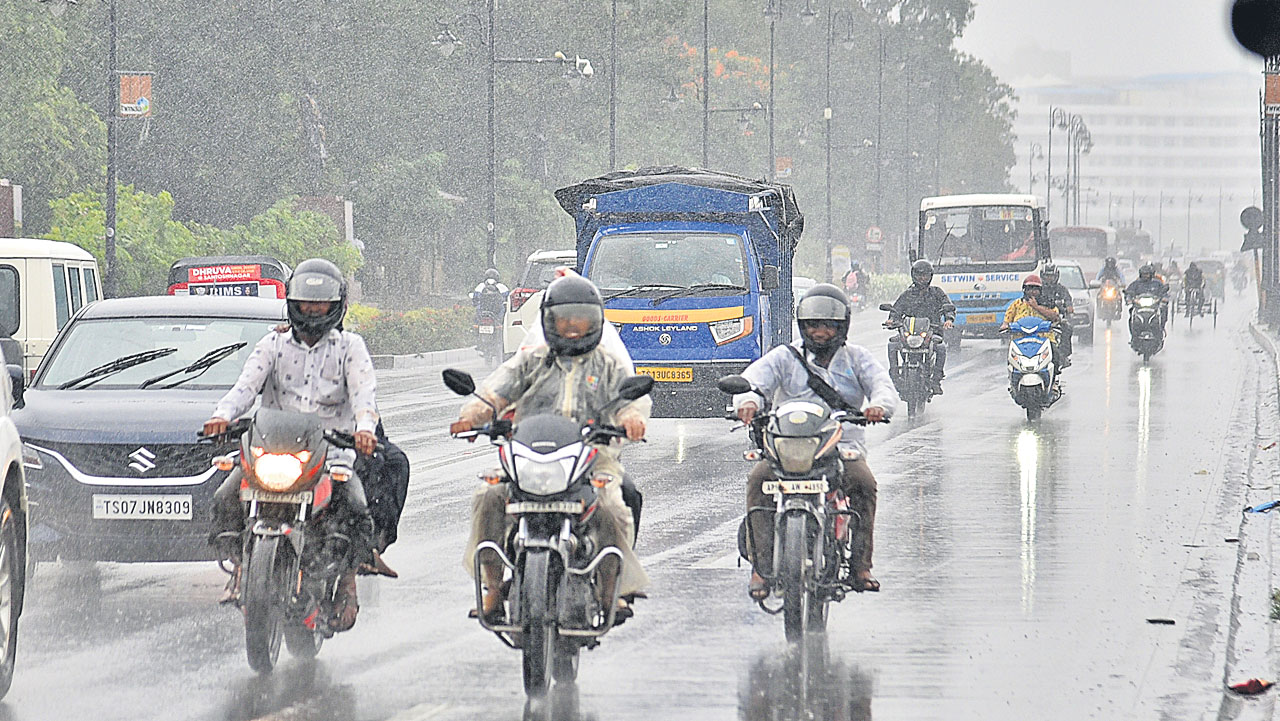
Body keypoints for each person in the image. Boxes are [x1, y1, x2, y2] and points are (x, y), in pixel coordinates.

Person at [203, 258, 391, 632]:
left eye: (320, 304)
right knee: (224, 498)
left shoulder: (351, 347)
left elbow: (363, 395)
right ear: (292, 302)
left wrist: (365, 429)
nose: (312, 310)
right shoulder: (272, 344)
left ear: (337, 305)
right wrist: (221, 415)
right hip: (270, 449)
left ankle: (348, 580)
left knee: (356, 508)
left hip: (330, 453)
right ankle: (241, 568)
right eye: (306, 302)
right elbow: (245, 387)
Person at [450, 274, 651, 623]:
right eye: (564, 320)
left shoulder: (608, 365)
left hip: (591, 458)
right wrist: (472, 415)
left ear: (596, 322)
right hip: (528, 456)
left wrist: (631, 419)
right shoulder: (531, 360)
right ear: (548, 320)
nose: (572, 329)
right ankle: (493, 586)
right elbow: (495, 392)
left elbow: (629, 401)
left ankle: (611, 589)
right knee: (488, 495)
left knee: (611, 507)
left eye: (581, 321)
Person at [733, 284, 896, 597]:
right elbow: (753, 382)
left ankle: (861, 567)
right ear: (802, 326)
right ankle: (761, 568)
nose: (820, 332)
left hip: (841, 448)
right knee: (758, 481)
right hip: (786, 449)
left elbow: (883, 387)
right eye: (812, 325)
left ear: (842, 326)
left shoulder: (857, 358)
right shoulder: (785, 357)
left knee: (864, 484)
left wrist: (878, 407)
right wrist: (748, 402)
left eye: (828, 325)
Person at [886, 259, 955, 394]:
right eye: (919, 275)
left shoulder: (936, 293)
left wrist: (948, 319)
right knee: (892, 345)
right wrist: (892, 320)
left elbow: (948, 306)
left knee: (940, 347)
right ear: (913, 275)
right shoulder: (907, 294)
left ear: (930, 276)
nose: (922, 279)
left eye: (925, 275)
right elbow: (896, 309)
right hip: (909, 333)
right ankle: (895, 376)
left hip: (931, 331)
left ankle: (936, 380)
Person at [1000, 275, 1064, 386]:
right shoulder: (1016, 305)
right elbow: (1006, 321)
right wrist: (1005, 327)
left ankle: (1053, 382)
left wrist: (1036, 307)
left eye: (1035, 289)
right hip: (1020, 341)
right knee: (1012, 357)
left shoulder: (1047, 303)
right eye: (1029, 289)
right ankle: (1013, 383)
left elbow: (1055, 317)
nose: (1032, 292)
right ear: (1024, 290)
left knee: (1055, 354)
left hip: (1044, 340)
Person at [1038, 264, 1074, 369]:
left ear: (1056, 276)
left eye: (1051, 276)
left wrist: (1069, 307)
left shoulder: (1061, 289)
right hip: (1040, 320)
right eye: (1047, 276)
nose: (1049, 279)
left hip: (1057, 320)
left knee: (1067, 328)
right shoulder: (1038, 290)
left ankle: (1063, 356)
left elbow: (1068, 300)